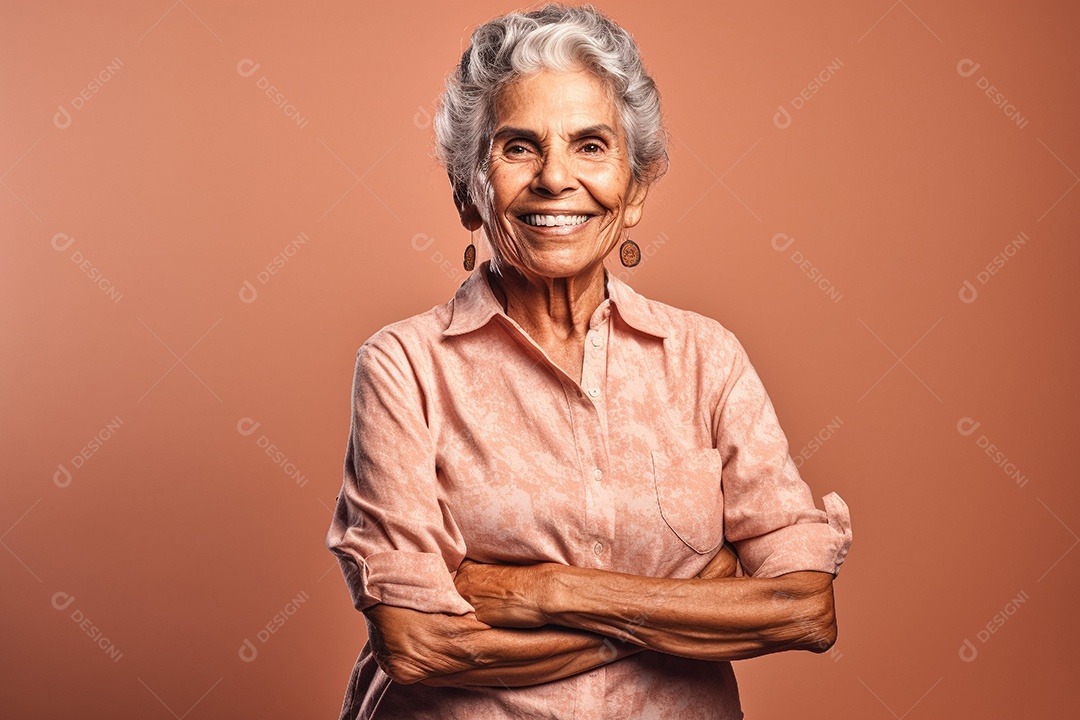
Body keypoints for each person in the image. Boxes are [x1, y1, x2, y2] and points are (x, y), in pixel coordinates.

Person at [326, 4, 852, 718]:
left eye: (590, 145)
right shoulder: (404, 368)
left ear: (634, 189)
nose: (554, 179)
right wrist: (699, 602)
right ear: (466, 193)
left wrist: (537, 592)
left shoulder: (707, 358)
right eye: (518, 147)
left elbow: (803, 611)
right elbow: (416, 643)